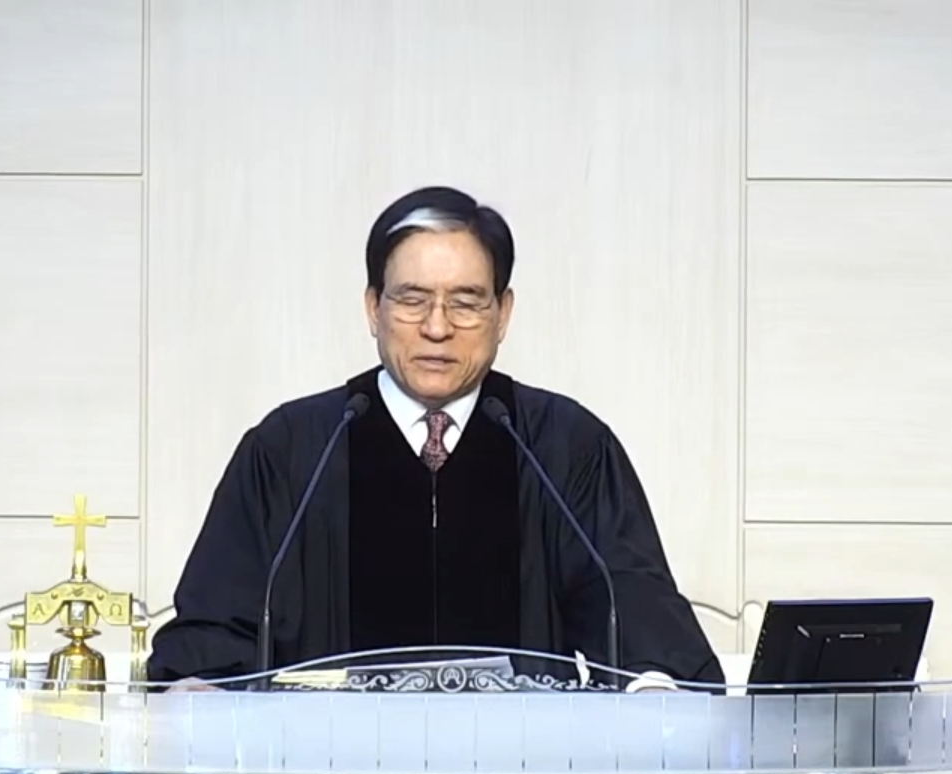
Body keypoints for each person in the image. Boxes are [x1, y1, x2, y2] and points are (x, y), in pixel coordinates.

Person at [148, 185, 721, 691]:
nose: (437, 327)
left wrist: (656, 686)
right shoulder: (294, 449)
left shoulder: (564, 448)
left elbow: (637, 616)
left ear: (503, 314)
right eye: (412, 299)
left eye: (466, 302)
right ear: (373, 308)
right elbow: (216, 632)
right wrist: (201, 686)